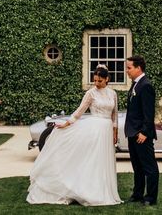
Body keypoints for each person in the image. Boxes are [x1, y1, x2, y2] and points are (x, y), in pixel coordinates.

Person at [27, 65, 121, 206]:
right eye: (95, 80)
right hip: (94, 130)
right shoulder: (91, 93)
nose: (96, 83)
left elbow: (115, 114)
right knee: (93, 160)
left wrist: (115, 131)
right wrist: (67, 123)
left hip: (106, 131)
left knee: (103, 161)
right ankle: (88, 190)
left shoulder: (113, 94)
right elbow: (80, 110)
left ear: (107, 79)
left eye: (100, 81)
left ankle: (103, 190)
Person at [124, 55, 159, 206]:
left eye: (129, 68)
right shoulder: (135, 84)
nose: (126, 71)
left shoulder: (146, 86)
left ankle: (151, 197)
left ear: (138, 68)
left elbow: (148, 113)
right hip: (133, 132)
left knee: (149, 167)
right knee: (137, 166)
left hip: (141, 134)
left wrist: (144, 132)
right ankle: (137, 194)